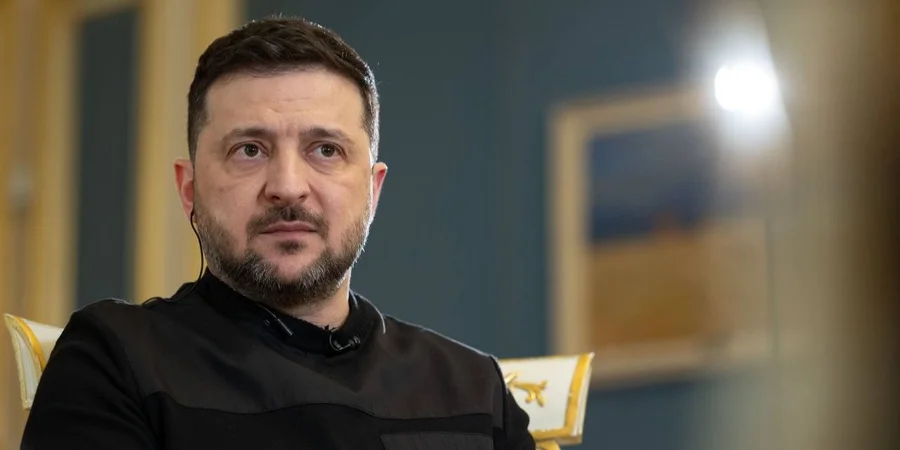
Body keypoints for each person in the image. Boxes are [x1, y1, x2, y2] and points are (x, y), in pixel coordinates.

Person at [21, 16, 535, 450]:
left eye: (325, 150)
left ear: (373, 190)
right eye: (249, 150)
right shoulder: (116, 362)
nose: (288, 187)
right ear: (190, 189)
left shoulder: (473, 390)